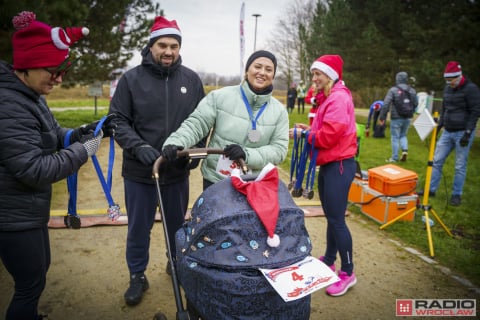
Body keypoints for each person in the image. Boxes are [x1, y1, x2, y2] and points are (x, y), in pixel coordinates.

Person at [0, 11, 112, 320]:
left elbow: (50, 132)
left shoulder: (30, 93)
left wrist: (79, 133)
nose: (60, 78)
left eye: (63, 70)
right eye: (53, 70)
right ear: (27, 65)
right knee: (29, 285)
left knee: (37, 274)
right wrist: (83, 151)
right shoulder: (9, 103)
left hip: (26, 211)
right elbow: (34, 169)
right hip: (12, 217)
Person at [108, 16, 205, 306]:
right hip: (140, 172)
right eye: (162, 45)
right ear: (151, 46)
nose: (168, 51)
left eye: (174, 46)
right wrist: (139, 147)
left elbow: (201, 122)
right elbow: (117, 121)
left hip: (176, 173)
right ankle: (137, 274)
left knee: (178, 226)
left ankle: (175, 264)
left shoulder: (191, 79)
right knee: (139, 228)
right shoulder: (131, 80)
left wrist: (195, 151)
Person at [162, 50, 289, 191]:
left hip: (256, 183)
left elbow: (279, 150)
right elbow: (196, 125)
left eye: (269, 69)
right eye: (257, 67)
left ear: (273, 75)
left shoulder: (280, 111)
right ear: (247, 70)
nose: (262, 72)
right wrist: (175, 142)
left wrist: (247, 155)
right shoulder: (219, 97)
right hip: (216, 180)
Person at [289, 54, 357, 297]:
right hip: (331, 164)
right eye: (313, 74)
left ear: (330, 75)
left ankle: (348, 272)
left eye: (317, 74)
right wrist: (308, 130)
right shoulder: (331, 98)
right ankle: (329, 260)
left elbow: (329, 136)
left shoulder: (338, 98)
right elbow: (325, 130)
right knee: (331, 216)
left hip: (339, 165)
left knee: (337, 220)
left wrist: (303, 137)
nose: (314, 78)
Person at [419, 61, 480, 206]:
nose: (449, 83)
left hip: (463, 132)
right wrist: (439, 126)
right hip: (447, 132)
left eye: (451, 80)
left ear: (458, 76)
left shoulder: (471, 89)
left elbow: (475, 111)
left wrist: (468, 132)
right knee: (436, 160)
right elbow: (445, 108)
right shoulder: (447, 89)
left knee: (460, 165)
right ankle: (431, 189)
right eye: (446, 80)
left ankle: (456, 195)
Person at [378, 71, 418, 162]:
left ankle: (394, 158)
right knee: (403, 135)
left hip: (396, 118)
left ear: (397, 79)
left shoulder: (393, 90)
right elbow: (416, 103)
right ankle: (404, 150)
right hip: (408, 117)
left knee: (395, 137)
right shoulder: (412, 90)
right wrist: (411, 111)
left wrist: (382, 117)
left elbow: (386, 104)